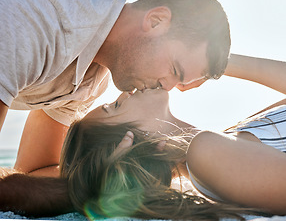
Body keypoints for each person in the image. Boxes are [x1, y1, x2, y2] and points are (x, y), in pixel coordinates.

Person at [0, 55, 285, 219]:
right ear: (129, 142)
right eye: (114, 107)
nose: (123, 92)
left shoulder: (228, 138)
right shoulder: (206, 153)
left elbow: (39, 175)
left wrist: (215, 63)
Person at [0, 0, 231, 177]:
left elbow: (34, 172)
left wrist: (114, 176)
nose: (166, 88)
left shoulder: (92, 77)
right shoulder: (33, 21)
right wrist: (90, 187)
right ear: (156, 20)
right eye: (174, 69)